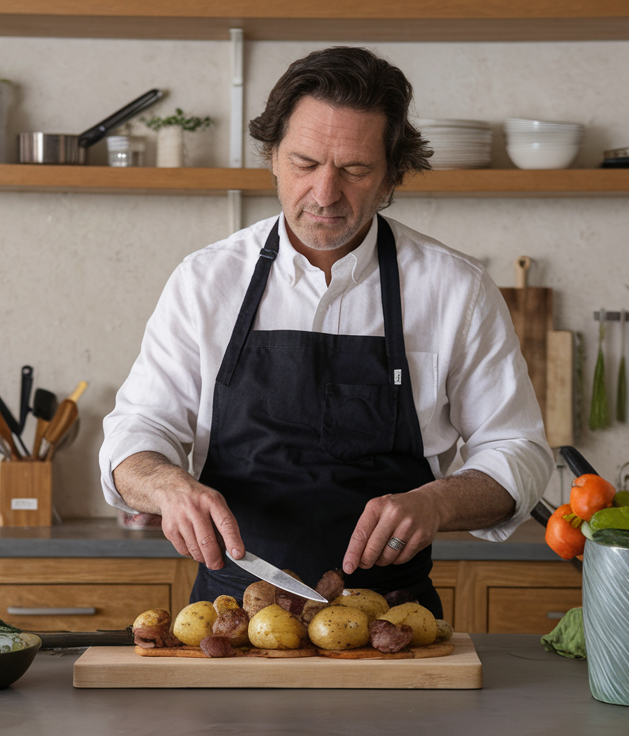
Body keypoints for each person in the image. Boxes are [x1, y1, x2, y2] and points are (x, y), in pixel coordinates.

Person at [99, 47, 554, 617]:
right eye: (304, 163)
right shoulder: (205, 280)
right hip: (232, 620)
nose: (324, 193)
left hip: (391, 620)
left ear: (391, 172)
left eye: (355, 170)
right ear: (271, 155)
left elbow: (519, 452)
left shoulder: (454, 288)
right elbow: (137, 429)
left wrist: (437, 503)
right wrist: (165, 484)